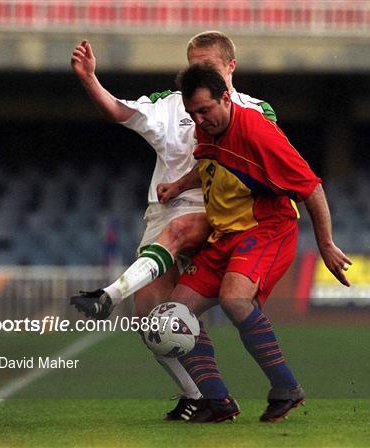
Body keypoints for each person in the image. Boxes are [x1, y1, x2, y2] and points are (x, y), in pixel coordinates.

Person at [69, 31, 279, 420]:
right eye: (192, 65)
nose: (198, 72)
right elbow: (117, 111)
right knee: (151, 317)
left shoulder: (256, 110)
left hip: (220, 214)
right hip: (164, 210)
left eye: (208, 66)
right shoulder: (168, 106)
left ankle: (107, 295)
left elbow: (257, 163)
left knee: (187, 248)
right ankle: (202, 395)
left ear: (230, 66)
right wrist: (89, 79)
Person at [156, 64, 352, 423]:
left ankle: (286, 388)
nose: (199, 119)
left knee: (234, 298)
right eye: (193, 113)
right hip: (224, 236)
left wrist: (325, 244)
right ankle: (218, 402)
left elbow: (311, 187)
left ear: (226, 98)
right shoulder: (206, 129)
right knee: (173, 317)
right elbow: (209, 166)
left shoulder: (259, 133)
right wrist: (179, 186)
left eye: (205, 110)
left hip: (267, 229)